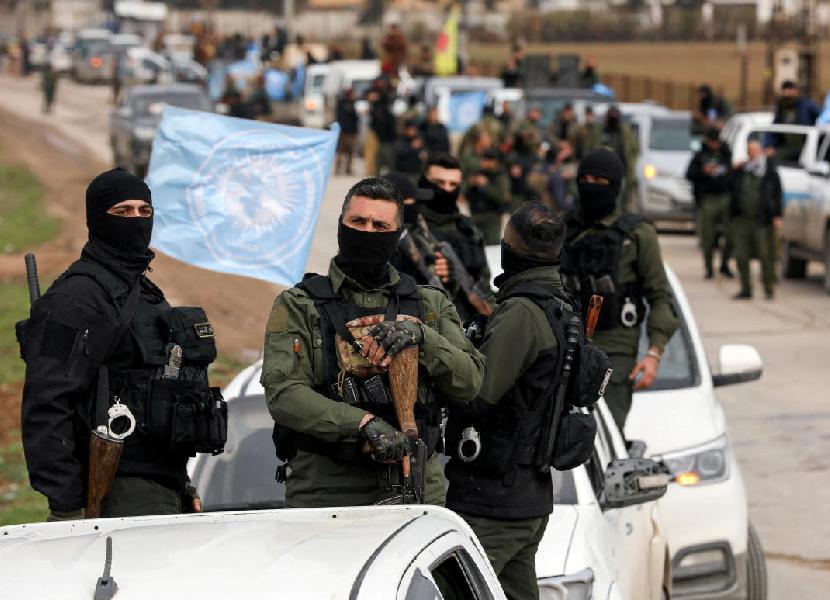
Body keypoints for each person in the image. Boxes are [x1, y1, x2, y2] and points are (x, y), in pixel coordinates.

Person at [261, 177, 484, 507]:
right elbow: (284, 394)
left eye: (380, 226)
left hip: (416, 486)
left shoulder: (430, 305)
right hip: (327, 491)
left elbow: (469, 384)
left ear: (396, 235)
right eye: (358, 221)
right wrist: (362, 424)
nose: (367, 232)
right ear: (341, 225)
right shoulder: (299, 306)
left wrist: (424, 338)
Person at [19, 168, 223, 520]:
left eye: (145, 211)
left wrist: (182, 486)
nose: (136, 219)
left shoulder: (145, 293)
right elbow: (46, 405)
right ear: (98, 218)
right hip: (115, 486)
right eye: (122, 211)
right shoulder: (76, 299)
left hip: (165, 484)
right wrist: (67, 507)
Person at [446, 202, 602, 600]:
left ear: (510, 247)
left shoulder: (522, 312)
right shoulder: (560, 306)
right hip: (527, 496)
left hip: (495, 500)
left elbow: (478, 395)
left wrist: (443, 349)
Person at [563, 149, 679, 432]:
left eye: (599, 181)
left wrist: (654, 354)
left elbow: (660, 297)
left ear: (614, 186)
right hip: (563, 347)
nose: (590, 187)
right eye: (585, 180)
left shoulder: (637, 235)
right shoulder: (562, 230)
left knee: (605, 434)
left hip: (614, 352)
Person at [418, 153, 495, 322]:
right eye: (439, 183)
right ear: (424, 182)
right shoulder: (409, 229)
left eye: (453, 184)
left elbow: (484, 287)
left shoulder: (469, 230)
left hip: (469, 323)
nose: (446, 190)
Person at [730, 140, 783, 300]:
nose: (752, 154)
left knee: (765, 255)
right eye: (750, 151)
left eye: (755, 150)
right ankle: (746, 289)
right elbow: (729, 186)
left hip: (762, 220)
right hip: (742, 220)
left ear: (760, 151)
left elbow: (777, 193)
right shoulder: (741, 170)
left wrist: (777, 215)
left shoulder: (769, 171)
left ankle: (768, 289)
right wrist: (734, 169)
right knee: (741, 256)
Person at [686, 128, 734, 279]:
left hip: (724, 197)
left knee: (730, 234)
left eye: (716, 141)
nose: (714, 144)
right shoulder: (700, 156)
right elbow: (689, 174)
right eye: (712, 141)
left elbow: (731, 174)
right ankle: (709, 268)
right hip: (707, 199)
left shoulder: (726, 154)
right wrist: (703, 172)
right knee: (707, 237)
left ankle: (724, 264)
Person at [587, 106, 638, 209]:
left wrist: (631, 167)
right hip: (603, 172)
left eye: (615, 115)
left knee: (622, 197)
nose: (613, 118)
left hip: (621, 171)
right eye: (611, 115)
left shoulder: (625, 132)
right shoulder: (600, 131)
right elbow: (590, 149)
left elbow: (633, 149)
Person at [465, 148, 511, 246]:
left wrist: (485, 185)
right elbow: (465, 194)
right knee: (475, 245)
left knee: (492, 246)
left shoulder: (500, 176)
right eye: (484, 159)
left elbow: (501, 197)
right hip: (476, 215)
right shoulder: (477, 173)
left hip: (492, 216)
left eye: (488, 160)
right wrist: (470, 184)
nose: (484, 162)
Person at [370, 85, 396, 175]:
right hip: (384, 140)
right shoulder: (382, 110)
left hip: (382, 140)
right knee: (387, 164)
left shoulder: (378, 109)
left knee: (380, 165)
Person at [335, 88, 359, 176]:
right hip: (345, 132)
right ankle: (338, 168)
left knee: (350, 151)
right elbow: (344, 117)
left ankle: (347, 169)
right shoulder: (345, 104)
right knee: (342, 151)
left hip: (350, 131)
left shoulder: (350, 103)